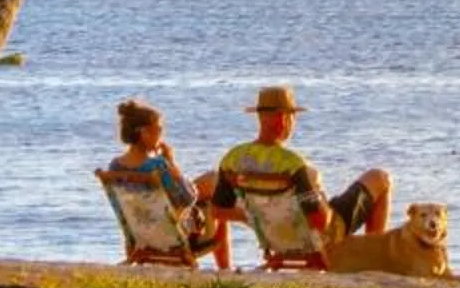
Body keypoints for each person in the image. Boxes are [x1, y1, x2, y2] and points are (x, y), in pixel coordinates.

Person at [210, 84, 390, 240]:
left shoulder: (232, 159)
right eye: (291, 116)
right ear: (283, 120)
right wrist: (320, 199)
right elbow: (320, 222)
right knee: (380, 178)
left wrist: (255, 216)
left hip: (275, 236)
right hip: (321, 236)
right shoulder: (292, 164)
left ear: (259, 117)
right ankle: (372, 247)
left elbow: (217, 211)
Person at [108, 98, 230, 269]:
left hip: (140, 235)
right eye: (159, 129)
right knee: (216, 194)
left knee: (212, 181)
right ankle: (225, 268)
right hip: (170, 237)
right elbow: (188, 197)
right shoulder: (158, 166)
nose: (161, 135)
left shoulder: (114, 166)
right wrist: (172, 163)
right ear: (144, 133)